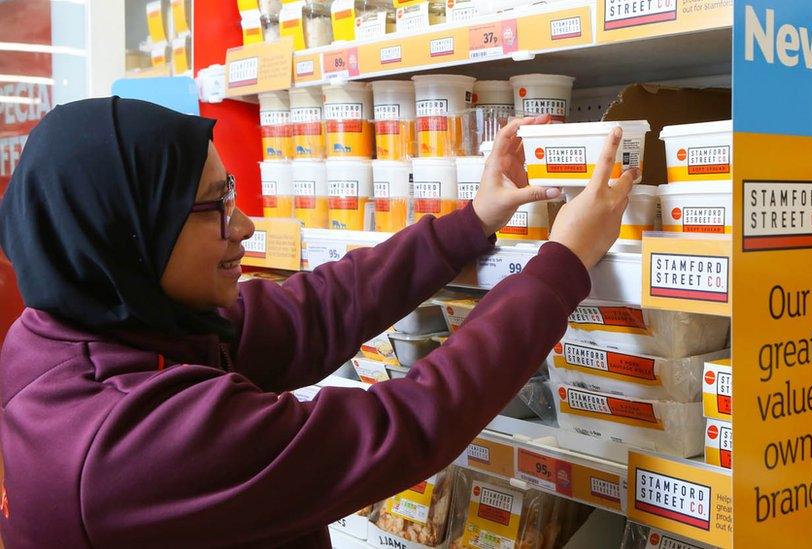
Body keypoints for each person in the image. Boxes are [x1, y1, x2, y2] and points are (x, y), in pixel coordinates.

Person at [0, 97, 635, 547]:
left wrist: (472, 220)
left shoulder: (97, 328)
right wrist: (561, 265)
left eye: (234, 194)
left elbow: (315, 309)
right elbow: (401, 426)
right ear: (128, 236)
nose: (243, 225)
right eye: (214, 206)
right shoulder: (124, 442)